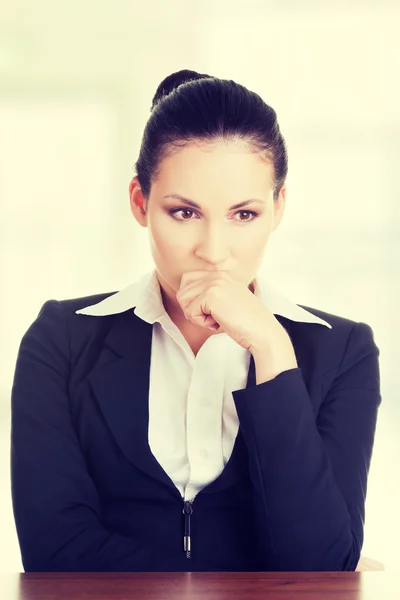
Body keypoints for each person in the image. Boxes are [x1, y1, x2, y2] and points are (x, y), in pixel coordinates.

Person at [10, 69, 382, 573]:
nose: (212, 252)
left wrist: (272, 350)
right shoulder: (62, 339)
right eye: (184, 213)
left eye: (244, 215)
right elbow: (55, 556)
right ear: (141, 203)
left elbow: (318, 566)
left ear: (278, 208)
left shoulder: (343, 352)